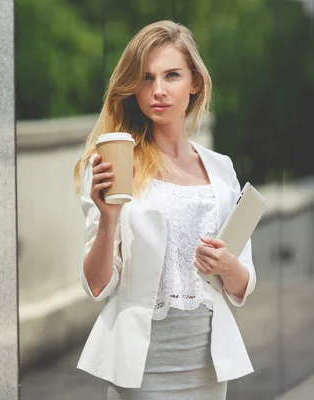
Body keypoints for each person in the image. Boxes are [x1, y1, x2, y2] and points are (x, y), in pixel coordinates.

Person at [73, 20, 256, 400]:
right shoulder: (114, 165)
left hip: (206, 364)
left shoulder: (221, 169)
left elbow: (242, 284)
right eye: (145, 78)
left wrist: (226, 265)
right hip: (142, 366)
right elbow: (97, 285)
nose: (157, 90)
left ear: (195, 83)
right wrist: (108, 221)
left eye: (171, 75)